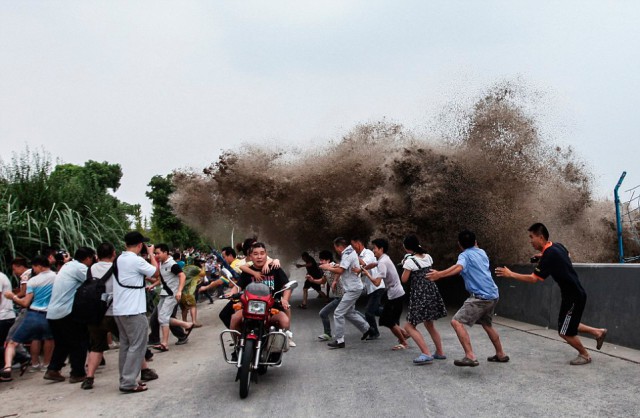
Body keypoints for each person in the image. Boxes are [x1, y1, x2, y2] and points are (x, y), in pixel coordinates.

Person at [495, 223, 607, 365]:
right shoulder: (557, 246)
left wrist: (510, 274)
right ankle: (598, 332)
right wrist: (542, 255)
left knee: (564, 332)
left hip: (573, 297)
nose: (530, 241)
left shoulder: (550, 254)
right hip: (574, 294)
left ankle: (584, 355)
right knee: (568, 323)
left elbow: (533, 279)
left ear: (541, 237)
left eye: (532, 237)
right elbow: (567, 254)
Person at [427, 230, 508, 367]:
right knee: (487, 324)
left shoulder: (464, 255)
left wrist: (439, 275)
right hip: (493, 294)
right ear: (476, 242)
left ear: (459, 244)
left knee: (456, 322)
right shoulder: (481, 252)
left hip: (480, 297)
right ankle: (501, 354)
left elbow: (458, 267)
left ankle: (470, 356)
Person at [83, 242, 157, 390]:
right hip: (115, 311)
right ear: (113, 254)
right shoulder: (117, 266)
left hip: (96, 313)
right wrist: (150, 254)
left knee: (97, 347)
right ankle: (139, 373)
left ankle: (89, 377)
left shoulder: (91, 269)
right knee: (134, 344)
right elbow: (153, 273)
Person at [113, 231, 159, 393]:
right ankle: (128, 382)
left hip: (119, 310)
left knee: (126, 346)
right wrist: (152, 254)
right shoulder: (136, 260)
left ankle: (126, 379)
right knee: (137, 346)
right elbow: (156, 272)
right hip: (133, 309)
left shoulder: (119, 259)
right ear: (140, 245)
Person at [46, 246, 96, 383]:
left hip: (53, 312)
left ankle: (53, 369)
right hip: (66, 312)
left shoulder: (68, 266)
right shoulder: (80, 268)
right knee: (79, 341)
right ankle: (77, 373)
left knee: (62, 343)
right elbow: (95, 282)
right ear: (88, 258)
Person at [1, 255, 56, 382]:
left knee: (13, 342)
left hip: (33, 314)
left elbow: (25, 303)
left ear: (39, 266)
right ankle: (46, 365)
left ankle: (9, 367)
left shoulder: (33, 281)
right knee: (49, 339)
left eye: (34, 267)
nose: (34, 270)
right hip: (49, 314)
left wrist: (12, 297)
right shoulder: (56, 277)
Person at [400, 235, 447, 365]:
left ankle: (426, 353)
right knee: (429, 324)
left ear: (406, 247)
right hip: (431, 292)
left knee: (409, 326)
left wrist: (404, 264)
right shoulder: (428, 257)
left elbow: (404, 279)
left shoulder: (410, 261)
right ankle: (440, 352)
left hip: (419, 295)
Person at [319, 237, 372, 349]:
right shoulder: (349, 252)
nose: (336, 250)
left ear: (339, 246)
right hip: (353, 287)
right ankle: (367, 328)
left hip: (353, 288)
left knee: (338, 313)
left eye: (336, 248)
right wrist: (334, 266)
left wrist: (327, 267)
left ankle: (340, 340)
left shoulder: (347, 253)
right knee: (348, 312)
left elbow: (341, 270)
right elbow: (343, 266)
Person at [229, 242, 292, 334]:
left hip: (272, 308)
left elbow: (287, 286)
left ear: (266, 255)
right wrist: (232, 292)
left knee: (285, 321)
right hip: (250, 308)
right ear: (250, 257)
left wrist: (285, 300)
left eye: (262, 253)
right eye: (255, 254)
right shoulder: (247, 271)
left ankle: (287, 337)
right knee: (234, 319)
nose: (259, 257)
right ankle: (238, 345)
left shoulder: (275, 268)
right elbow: (238, 286)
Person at [361, 238, 409, 350]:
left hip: (395, 294)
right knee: (387, 319)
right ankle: (405, 335)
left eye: (375, 248)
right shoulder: (384, 258)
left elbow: (377, 283)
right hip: (396, 293)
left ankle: (403, 341)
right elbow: (373, 264)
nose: (373, 251)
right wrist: (362, 269)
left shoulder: (383, 262)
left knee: (387, 320)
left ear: (381, 249)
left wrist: (367, 275)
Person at [148, 244, 194, 352]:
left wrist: (179, 291)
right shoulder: (162, 264)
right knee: (161, 317)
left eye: (158, 253)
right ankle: (186, 325)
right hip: (165, 294)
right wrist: (152, 285)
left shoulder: (172, 264)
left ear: (165, 252)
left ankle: (164, 343)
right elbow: (162, 279)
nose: (156, 255)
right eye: (155, 253)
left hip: (172, 294)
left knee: (163, 317)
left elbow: (182, 276)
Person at [351, 237, 384, 340]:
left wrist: (354, 257)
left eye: (353, 245)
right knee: (376, 310)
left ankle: (374, 332)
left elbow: (365, 264)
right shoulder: (358, 255)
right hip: (371, 287)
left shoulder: (368, 253)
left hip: (377, 286)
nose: (352, 247)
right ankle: (390, 312)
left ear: (359, 243)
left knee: (369, 312)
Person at [317, 250, 342, 341]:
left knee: (323, 313)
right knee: (352, 314)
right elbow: (322, 281)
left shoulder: (333, 265)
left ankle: (328, 334)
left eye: (322, 260)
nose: (321, 262)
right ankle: (369, 329)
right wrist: (312, 280)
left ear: (328, 260)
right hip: (339, 296)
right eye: (320, 260)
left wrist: (335, 280)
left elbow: (340, 270)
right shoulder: (326, 270)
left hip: (341, 296)